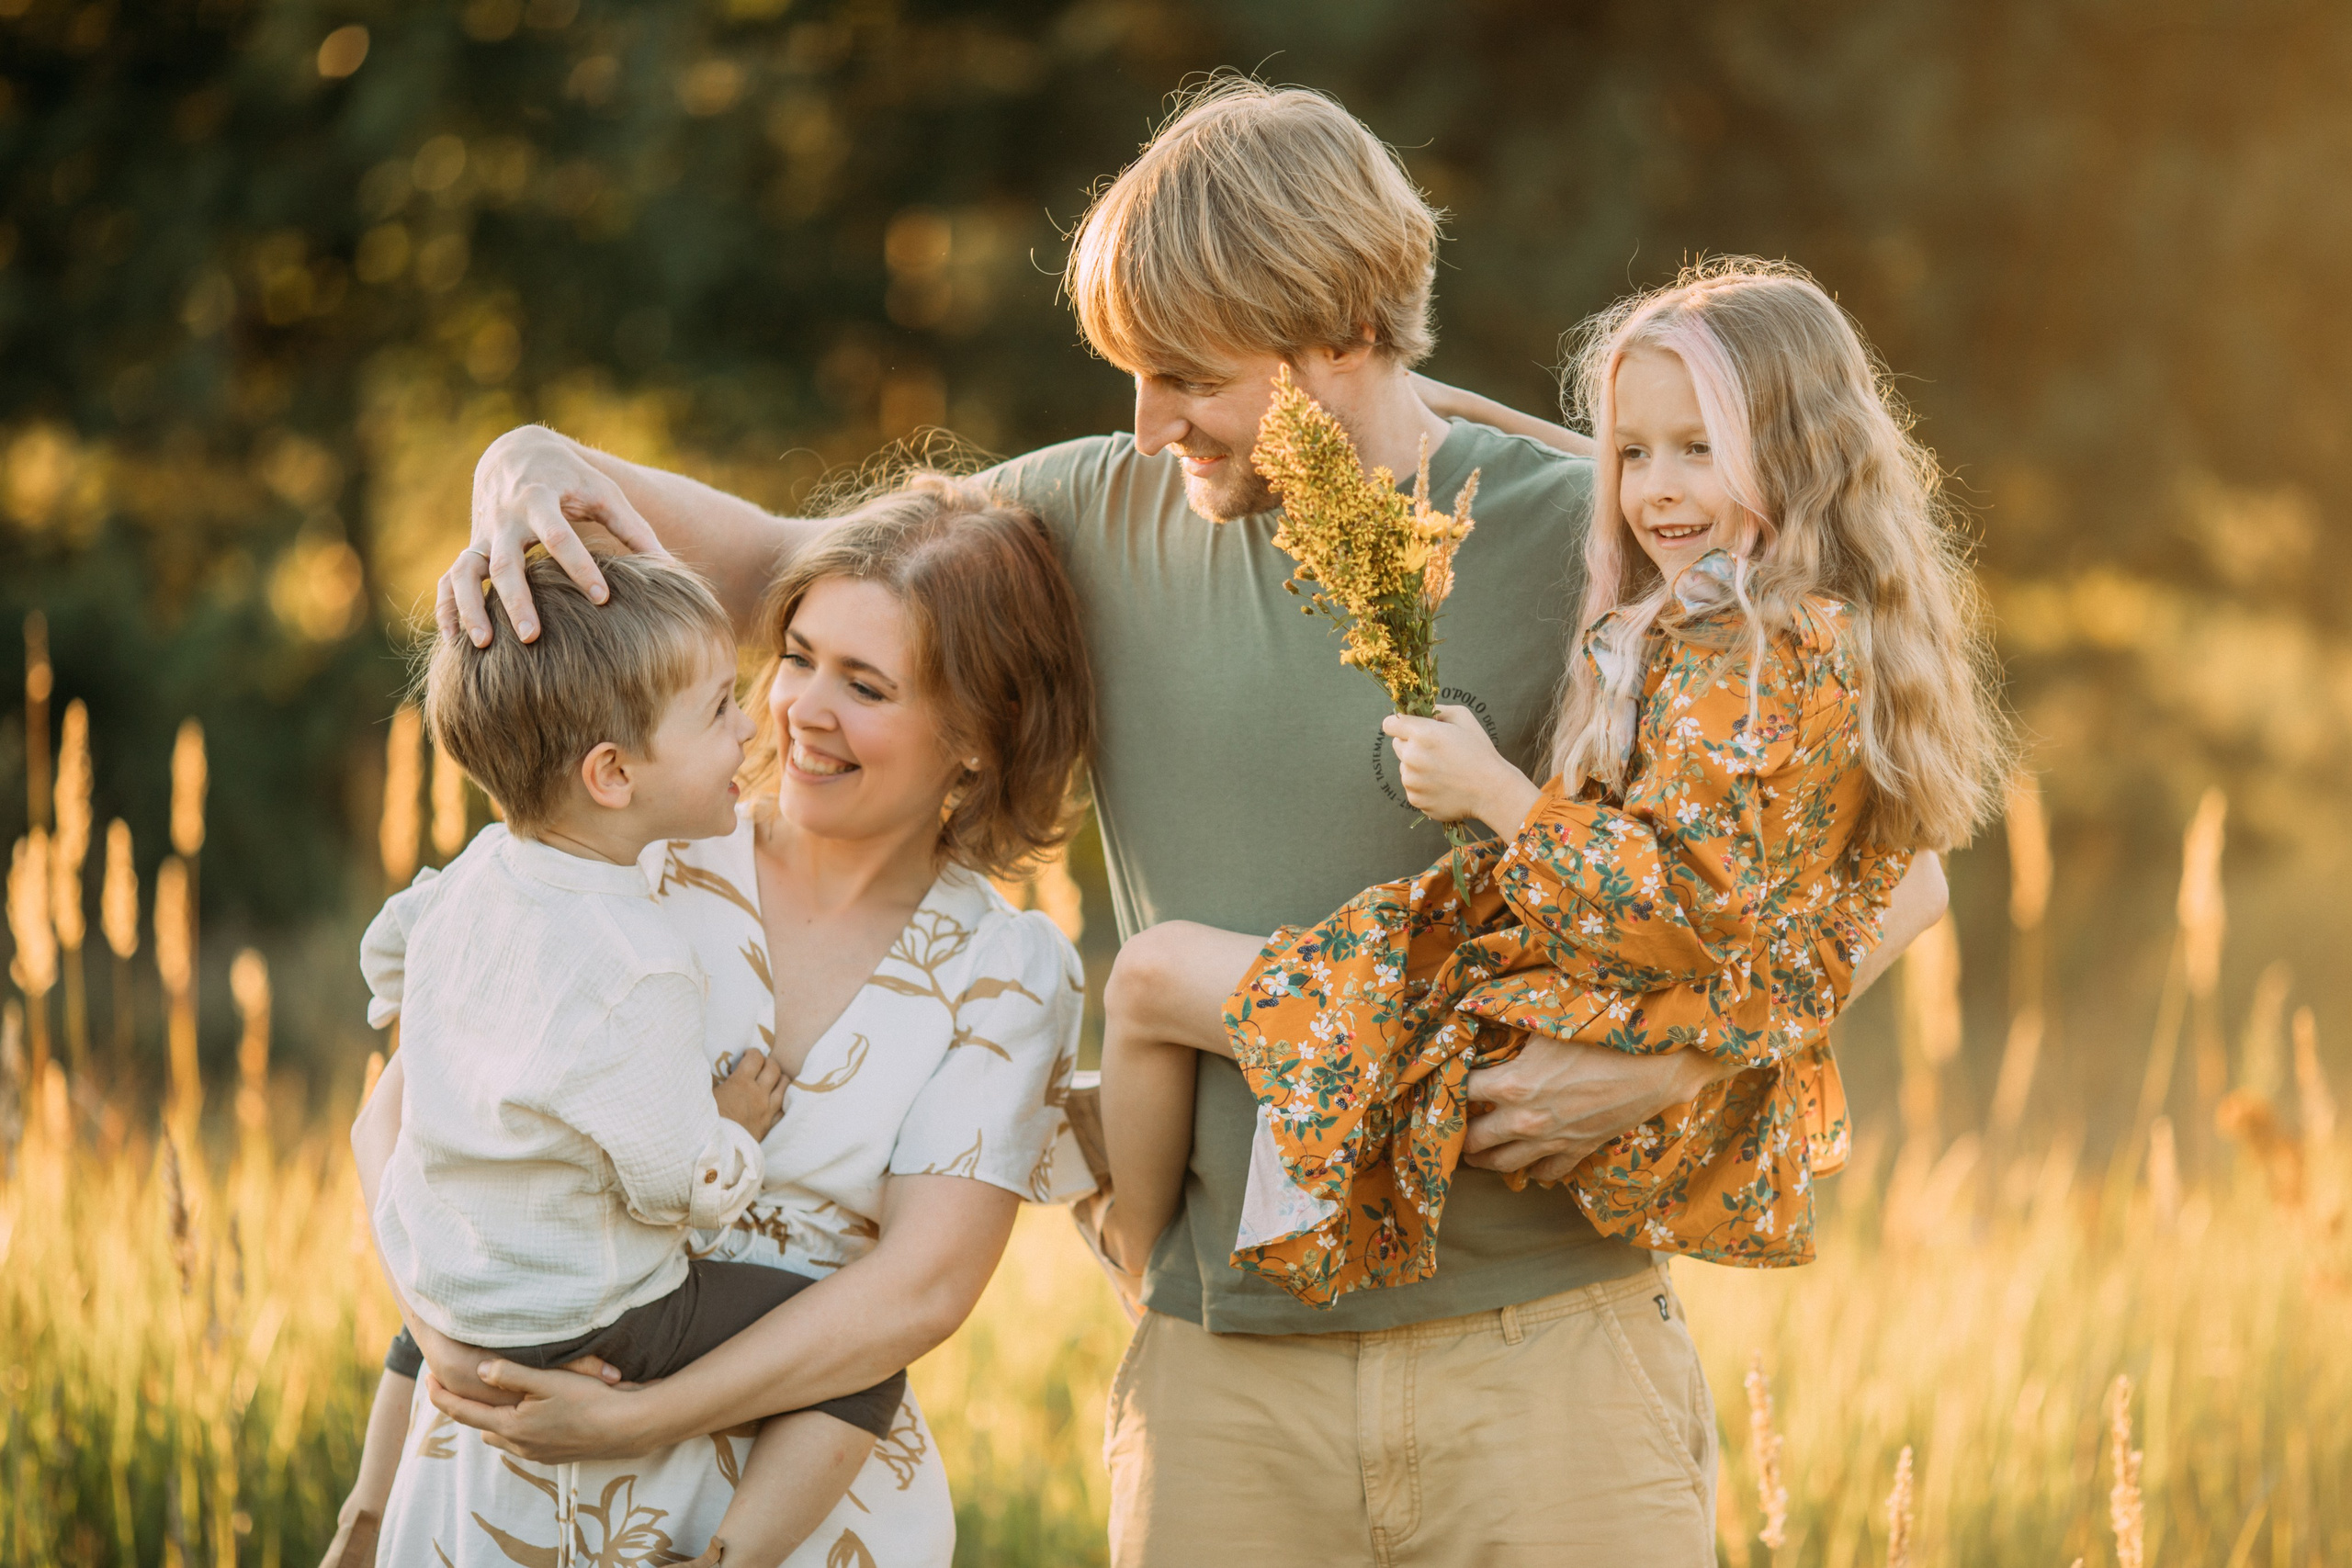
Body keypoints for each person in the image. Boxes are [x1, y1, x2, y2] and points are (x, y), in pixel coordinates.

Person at [436, 77, 1948, 1568]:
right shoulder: (1099, 517)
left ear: (1340, 333)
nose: (1147, 424)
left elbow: (1901, 877)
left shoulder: (1596, 529)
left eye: (1186, 375)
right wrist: (532, 468)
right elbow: (787, 568)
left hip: (1548, 1351)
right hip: (1226, 1380)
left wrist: (1665, 1060)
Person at [1095, 258, 2010, 1313]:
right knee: (1196, 999)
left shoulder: (1739, 653)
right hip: (1570, 983)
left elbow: (1687, 905)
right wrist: (1456, 406)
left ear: (1794, 457)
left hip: (1551, 1008)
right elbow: (1644, 481)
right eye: (1633, 452)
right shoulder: (1800, 613)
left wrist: (1497, 796)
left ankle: (1129, 1249)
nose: (1653, 487)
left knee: (1150, 979)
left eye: (1696, 449)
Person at [347, 476, 1097, 1567]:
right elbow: (407, 1119)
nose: (800, 710)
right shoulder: (623, 838)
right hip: (501, 1478)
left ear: (979, 734)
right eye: (796, 656)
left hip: (798, 1513)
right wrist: (450, 1340)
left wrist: (641, 1417)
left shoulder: (1008, 974)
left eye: (867, 686)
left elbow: (919, 1291)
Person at [329, 552, 914, 1568]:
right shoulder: (640, 968)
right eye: (719, 711)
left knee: (467, 1274)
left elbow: (391, 944)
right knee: (859, 1363)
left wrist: (422, 1008)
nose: (752, 729)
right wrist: (734, 1126)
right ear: (613, 775)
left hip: (455, 1272)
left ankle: (364, 1518)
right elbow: (675, 1188)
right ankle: (727, 1558)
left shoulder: (478, 874)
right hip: (582, 1312)